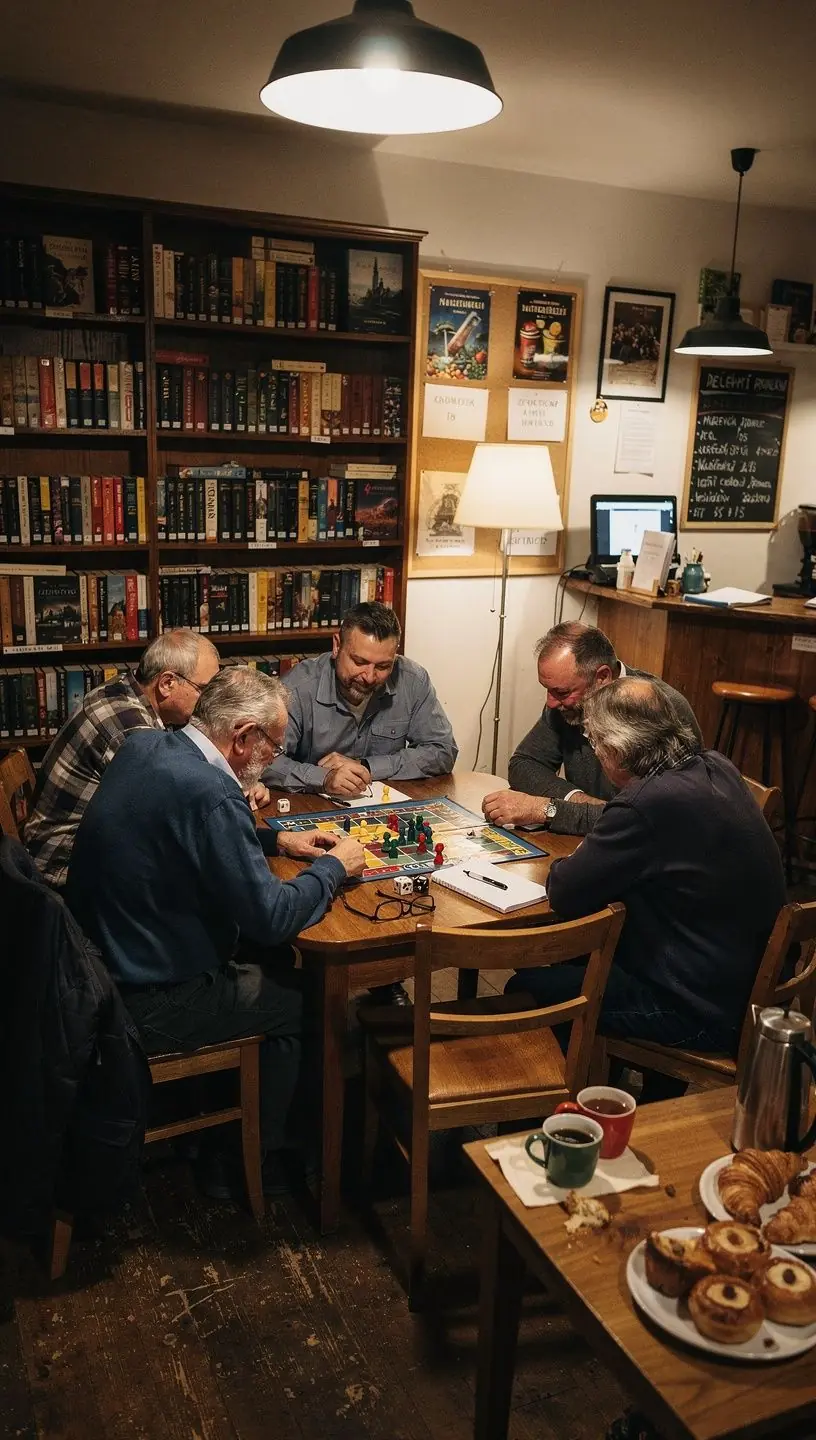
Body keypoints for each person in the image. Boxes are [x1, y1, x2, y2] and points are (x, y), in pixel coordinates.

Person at [65, 665, 366, 1196]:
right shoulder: (211, 792)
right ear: (243, 735)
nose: (272, 760)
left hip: (97, 969)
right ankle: (248, 1160)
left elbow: (188, 839)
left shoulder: (148, 746)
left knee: (273, 964)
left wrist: (277, 844)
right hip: (140, 1006)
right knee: (303, 1000)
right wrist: (335, 867)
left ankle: (237, 1110)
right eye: (273, 746)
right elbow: (271, 918)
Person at [506, 677, 786, 1100]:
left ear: (616, 750)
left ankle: (557, 1119)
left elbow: (564, 891)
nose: (595, 753)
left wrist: (585, 853)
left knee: (530, 988)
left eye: (595, 744)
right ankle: (646, 1097)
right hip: (743, 986)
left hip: (700, 1010)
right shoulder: (715, 765)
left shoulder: (646, 803)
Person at [26, 630, 226, 889]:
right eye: (204, 690)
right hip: (62, 865)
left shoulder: (125, 689)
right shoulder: (131, 731)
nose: (209, 702)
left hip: (74, 847)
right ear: (167, 683)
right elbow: (167, 811)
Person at [482, 622, 699, 835]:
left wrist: (549, 810)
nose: (551, 703)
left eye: (562, 692)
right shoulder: (565, 705)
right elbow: (524, 764)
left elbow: (654, 821)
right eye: (548, 690)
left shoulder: (660, 710)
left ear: (602, 677)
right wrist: (582, 804)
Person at [263, 602, 458, 798]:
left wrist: (366, 767)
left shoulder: (412, 680)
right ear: (337, 646)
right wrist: (324, 778)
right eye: (359, 662)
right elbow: (262, 761)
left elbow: (443, 750)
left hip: (382, 806)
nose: (369, 677)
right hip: (309, 805)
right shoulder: (297, 687)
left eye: (383, 666)